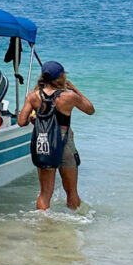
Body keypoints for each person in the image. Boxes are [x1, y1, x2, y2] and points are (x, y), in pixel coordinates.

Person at [17, 60, 95, 211]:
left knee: (45, 193)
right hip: (64, 141)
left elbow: (21, 122)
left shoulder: (32, 97)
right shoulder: (69, 96)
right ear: (61, 77)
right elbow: (90, 110)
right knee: (72, 192)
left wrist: (36, 117)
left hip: (44, 141)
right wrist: (75, 89)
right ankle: (76, 226)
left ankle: (42, 225)